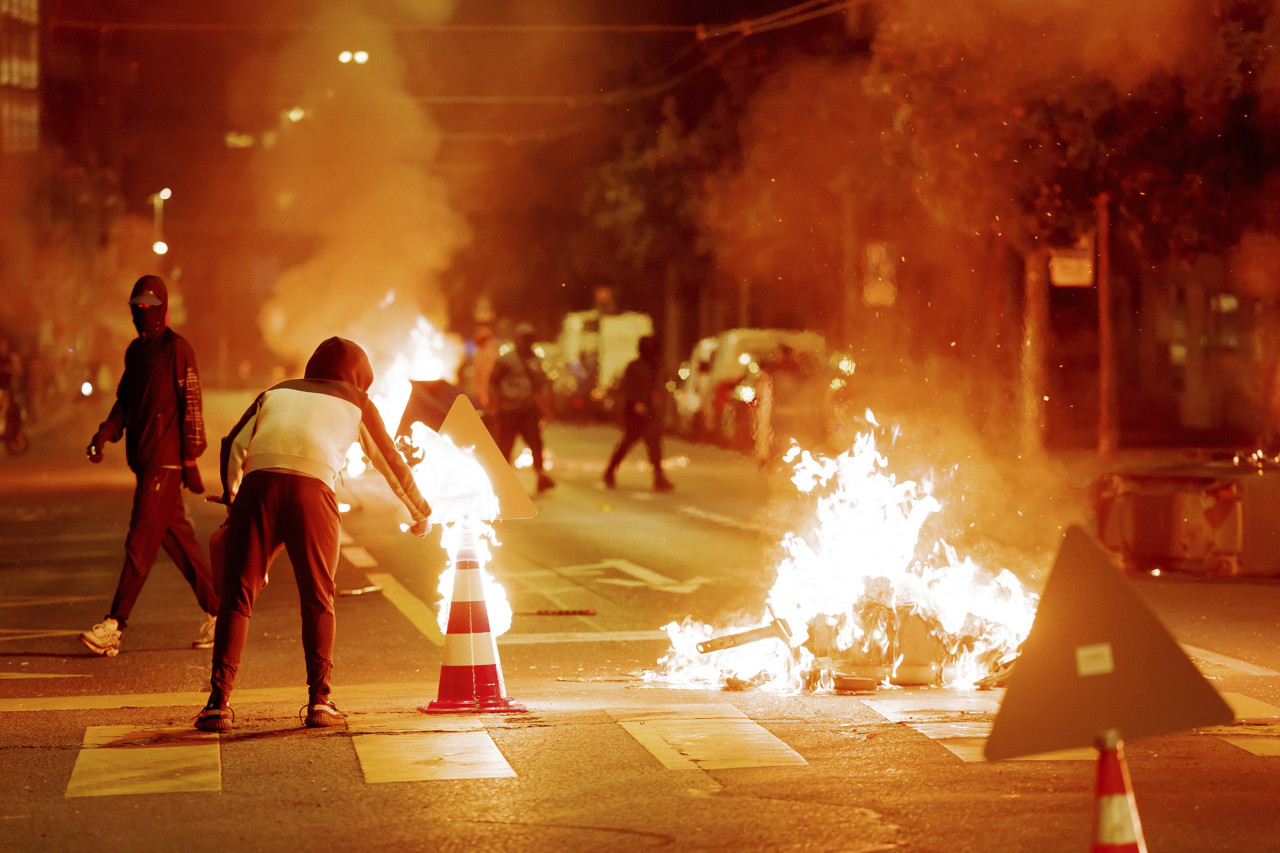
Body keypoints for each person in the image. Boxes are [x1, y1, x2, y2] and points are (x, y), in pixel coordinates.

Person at [196, 336, 433, 733]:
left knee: (238, 596)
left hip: (259, 488)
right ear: (359, 377)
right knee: (318, 598)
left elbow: (232, 445)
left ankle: (217, 704)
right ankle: (319, 702)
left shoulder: (276, 391)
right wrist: (419, 511)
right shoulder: (358, 402)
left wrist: (233, 499)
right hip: (312, 492)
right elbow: (388, 460)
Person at [80, 275, 219, 657]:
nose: (143, 312)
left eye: (149, 306)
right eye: (137, 306)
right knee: (179, 542)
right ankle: (220, 613)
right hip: (145, 460)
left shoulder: (178, 350)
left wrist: (191, 456)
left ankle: (114, 624)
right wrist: (106, 433)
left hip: (166, 462)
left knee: (140, 540)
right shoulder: (136, 353)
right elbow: (125, 401)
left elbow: (192, 405)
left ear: (163, 308)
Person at [487, 323, 555, 494]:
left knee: (536, 444)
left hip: (528, 410)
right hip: (508, 410)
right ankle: (501, 482)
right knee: (505, 446)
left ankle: (541, 476)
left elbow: (540, 386)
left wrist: (545, 410)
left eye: (530, 339)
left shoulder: (535, 360)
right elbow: (493, 383)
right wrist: (493, 407)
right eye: (525, 339)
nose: (528, 342)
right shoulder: (506, 360)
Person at [604, 335, 674, 492]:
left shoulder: (656, 366)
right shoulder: (634, 366)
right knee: (627, 443)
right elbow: (627, 387)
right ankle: (609, 472)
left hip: (650, 412)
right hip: (635, 412)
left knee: (654, 445)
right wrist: (637, 403)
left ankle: (659, 478)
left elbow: (659, 387)